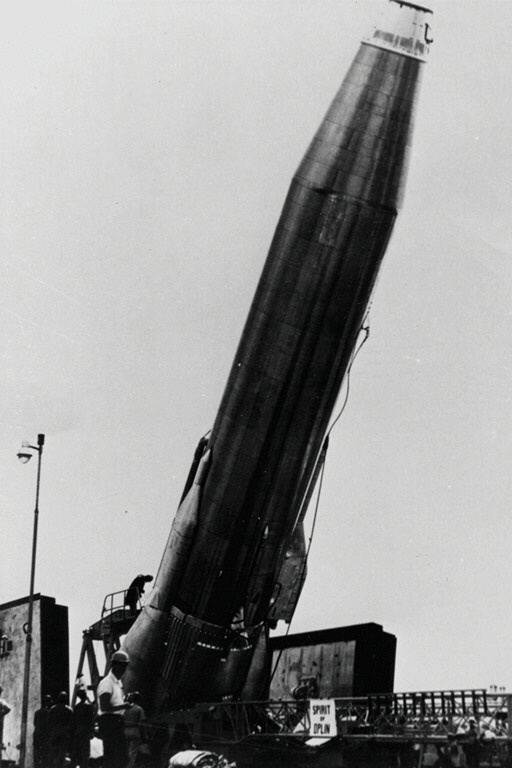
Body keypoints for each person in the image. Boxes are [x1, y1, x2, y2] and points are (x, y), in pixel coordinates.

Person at [97, 650, 131, 768]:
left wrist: (126, 700)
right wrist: (124, 706)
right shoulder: (107, 683)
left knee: (121, 758)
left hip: (116, 722)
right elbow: (104, 706)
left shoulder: (117, 683)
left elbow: (115, 701)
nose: (124, 669)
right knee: (112, 757)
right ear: (114, 665)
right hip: (109, 722)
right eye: (122, 666)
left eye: (125, 666)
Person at [49, 692, 73, 768]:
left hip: (55, 732)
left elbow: (49, 721)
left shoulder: (53, 709)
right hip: (64, 733)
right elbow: (72, 723)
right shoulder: (69, 710)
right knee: (62, 753)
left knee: (54, 753)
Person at [71, 688, 94, 768]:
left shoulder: (76, 707)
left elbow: (73, 721)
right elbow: (91, 720)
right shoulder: (88, 706)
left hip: (78, 730)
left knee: (77, 750)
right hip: (86, 730)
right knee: (85, 751)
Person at [123, 692, 147, 768]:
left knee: (125, 751)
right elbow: (141, 724)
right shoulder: (139, 709)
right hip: (134, 731)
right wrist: (144, 735)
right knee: (132, 752)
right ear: (138, 700)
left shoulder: (125, 709)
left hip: (125, 730)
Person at [34, 695, 53, 768]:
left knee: (37, 754)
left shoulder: (37, 712)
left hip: (37, 734)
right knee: (45, 754)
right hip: (45, 735)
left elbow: (35, 723)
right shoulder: (49, 712)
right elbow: (49, 724)